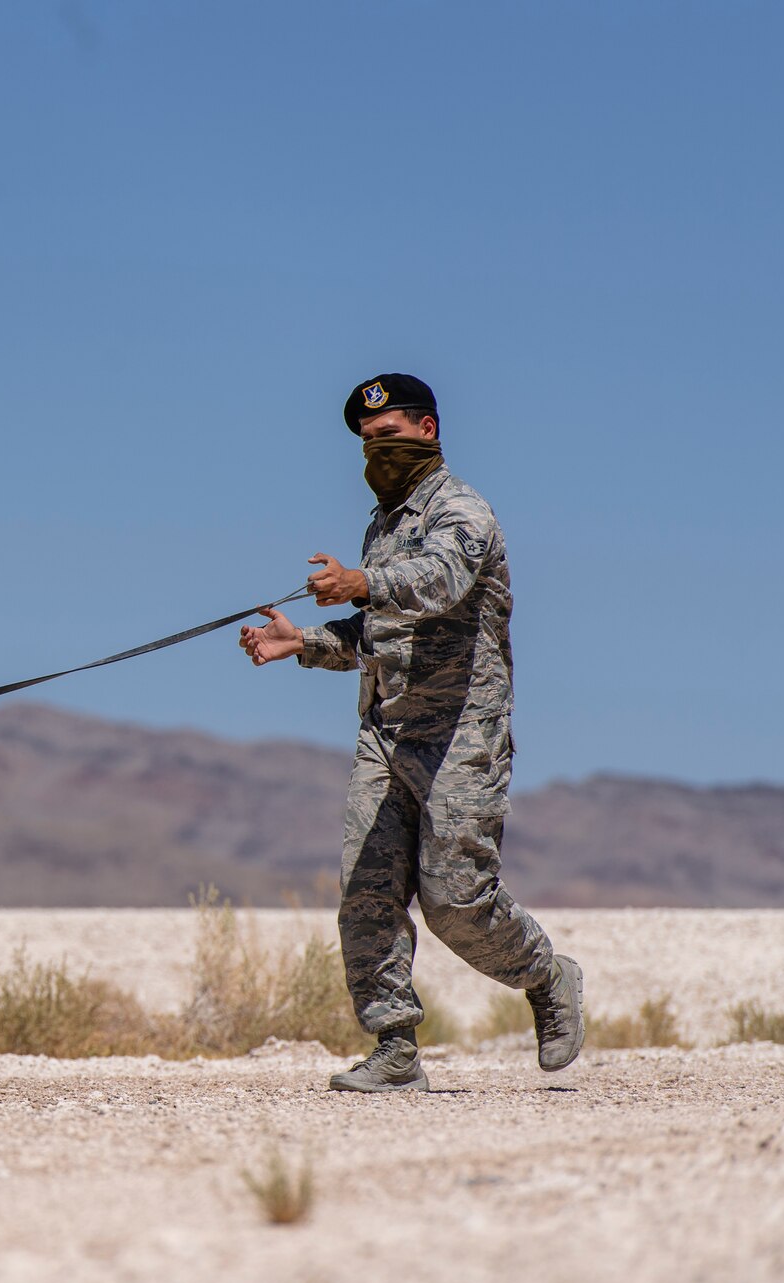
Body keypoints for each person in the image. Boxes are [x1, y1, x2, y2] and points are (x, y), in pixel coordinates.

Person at [239, 373, 583, 1092]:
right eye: (367, 444)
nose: (377, 454)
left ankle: (546, 975)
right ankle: (395, 1046)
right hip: (385, 735)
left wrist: (364, 582)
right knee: (366, 893)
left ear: (427, 430)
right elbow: (377, 634)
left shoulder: (463, 512)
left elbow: (441, 581)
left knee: (456, 899)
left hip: (461, 734)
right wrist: (299, 641)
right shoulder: (382, 527)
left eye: (388, 437)